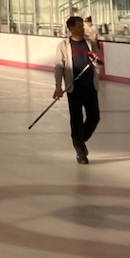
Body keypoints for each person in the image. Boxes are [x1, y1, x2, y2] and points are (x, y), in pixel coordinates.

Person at [54, 16, 103, 164]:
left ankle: (79, 140)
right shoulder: (63, 46)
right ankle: (80, 151)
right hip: (73, 88)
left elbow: (98, 63)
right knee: (76, 119)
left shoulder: (89, 43)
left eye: (83, 26)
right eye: (80, 26)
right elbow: (59, 67)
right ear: (71, 28)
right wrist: (58, 87)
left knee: (94, 117)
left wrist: (96, 60)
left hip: (90, 87)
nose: (83, 29)